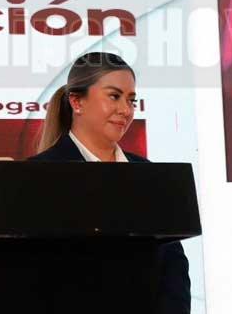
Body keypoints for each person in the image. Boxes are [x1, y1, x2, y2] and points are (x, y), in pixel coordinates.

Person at [30, 51, 192, 314]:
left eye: (131, 100)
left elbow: (173, 270)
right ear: (77, 101)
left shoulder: (149, 174)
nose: (126, 110)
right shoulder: (37, 176)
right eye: (114, 96)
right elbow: (31, 277)